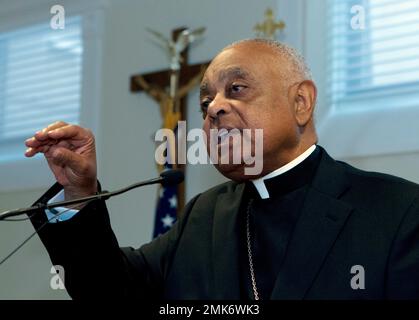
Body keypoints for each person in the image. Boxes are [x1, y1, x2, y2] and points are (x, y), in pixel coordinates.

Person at [25, 39, 419, 299]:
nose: (213, 108)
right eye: (205, 102)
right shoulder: (205, 215)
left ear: (301, 102)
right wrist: (80, 193)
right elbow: (111, 292)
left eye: (236, 89)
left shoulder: (397, 210)